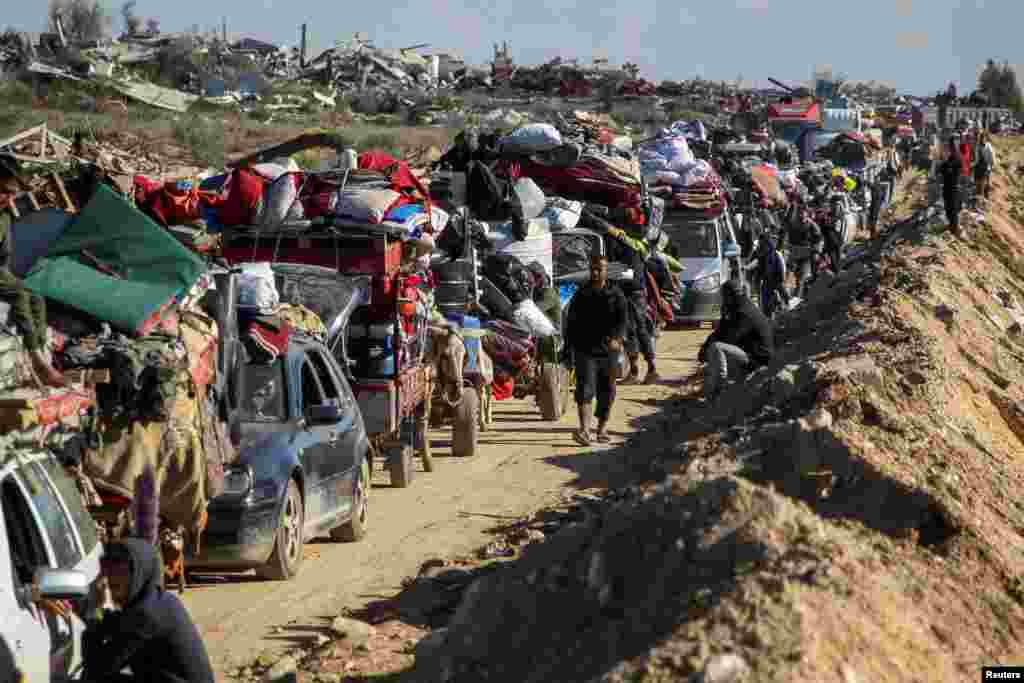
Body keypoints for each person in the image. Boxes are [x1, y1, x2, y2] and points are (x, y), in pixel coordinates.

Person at [81, 539, 215, 683]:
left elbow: (96, 669)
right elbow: (119, 625)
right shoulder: (157, 599)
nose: (111, 574)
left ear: (139, 571)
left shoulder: (146, 614)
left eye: (120, 566)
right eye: (108, 565)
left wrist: (93, 614)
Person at [0, 156, 65, 387]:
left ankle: (42, 355)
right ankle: (37, 359)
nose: (8, 199)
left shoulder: (4, 217)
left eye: (12, 194)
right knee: (18, 293)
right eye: (5, 191)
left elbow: (3, 256)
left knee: (35, 294)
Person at [562, 254, 629, 446]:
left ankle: (602, 428)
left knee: (607, 390)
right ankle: (584, 430)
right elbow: (571, 323)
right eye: (593, 269)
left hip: (609, 350)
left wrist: (617, 338)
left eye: (600, 269)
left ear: (606, 271)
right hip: (585, 349)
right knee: (585, 388)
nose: (596, 272)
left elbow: (623, 319)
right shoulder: (581, 294)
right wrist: (568, 349)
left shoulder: (616, 294)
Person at [697, 280, 774, 402]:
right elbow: (720, 331)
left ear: (730, 295)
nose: (722, 299)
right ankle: (714, 389)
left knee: (717, 348)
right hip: (747, 352)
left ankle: (717, 390)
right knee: (714, 347)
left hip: (758, 359)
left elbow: (730, 338)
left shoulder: (744, 312)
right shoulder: (736, 307)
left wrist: (709, 348)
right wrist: (705, 346)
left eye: (724, 296)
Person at [605, 227, 660, 384]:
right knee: (632, 331)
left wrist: (611, 274)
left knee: (637, 330)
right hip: (629, 294)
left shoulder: (630, 250)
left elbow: (632, 277)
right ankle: (640, 371)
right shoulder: (626, 248)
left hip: (633, 295)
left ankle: (647, 370)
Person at [939, 138, 964, 237]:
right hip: (947, 186)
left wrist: (945, 163)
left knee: (953, 209)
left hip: (953, 187)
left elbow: (951, 170)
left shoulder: (956, 159)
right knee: (948, 208)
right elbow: (942, 170)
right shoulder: (949, 158)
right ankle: (952, 227)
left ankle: (956, 230)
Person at [975, 131, 996, 205]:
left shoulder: (986, 146)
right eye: (981, 138)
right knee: (982, 184)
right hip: (982, 168)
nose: (982, 139)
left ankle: (986, 200)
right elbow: (977, 159)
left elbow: (992, 157)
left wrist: (991, 165)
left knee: (986, 184)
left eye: (983, 137)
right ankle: (982, 200)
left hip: (985, 167)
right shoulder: (980, 146)